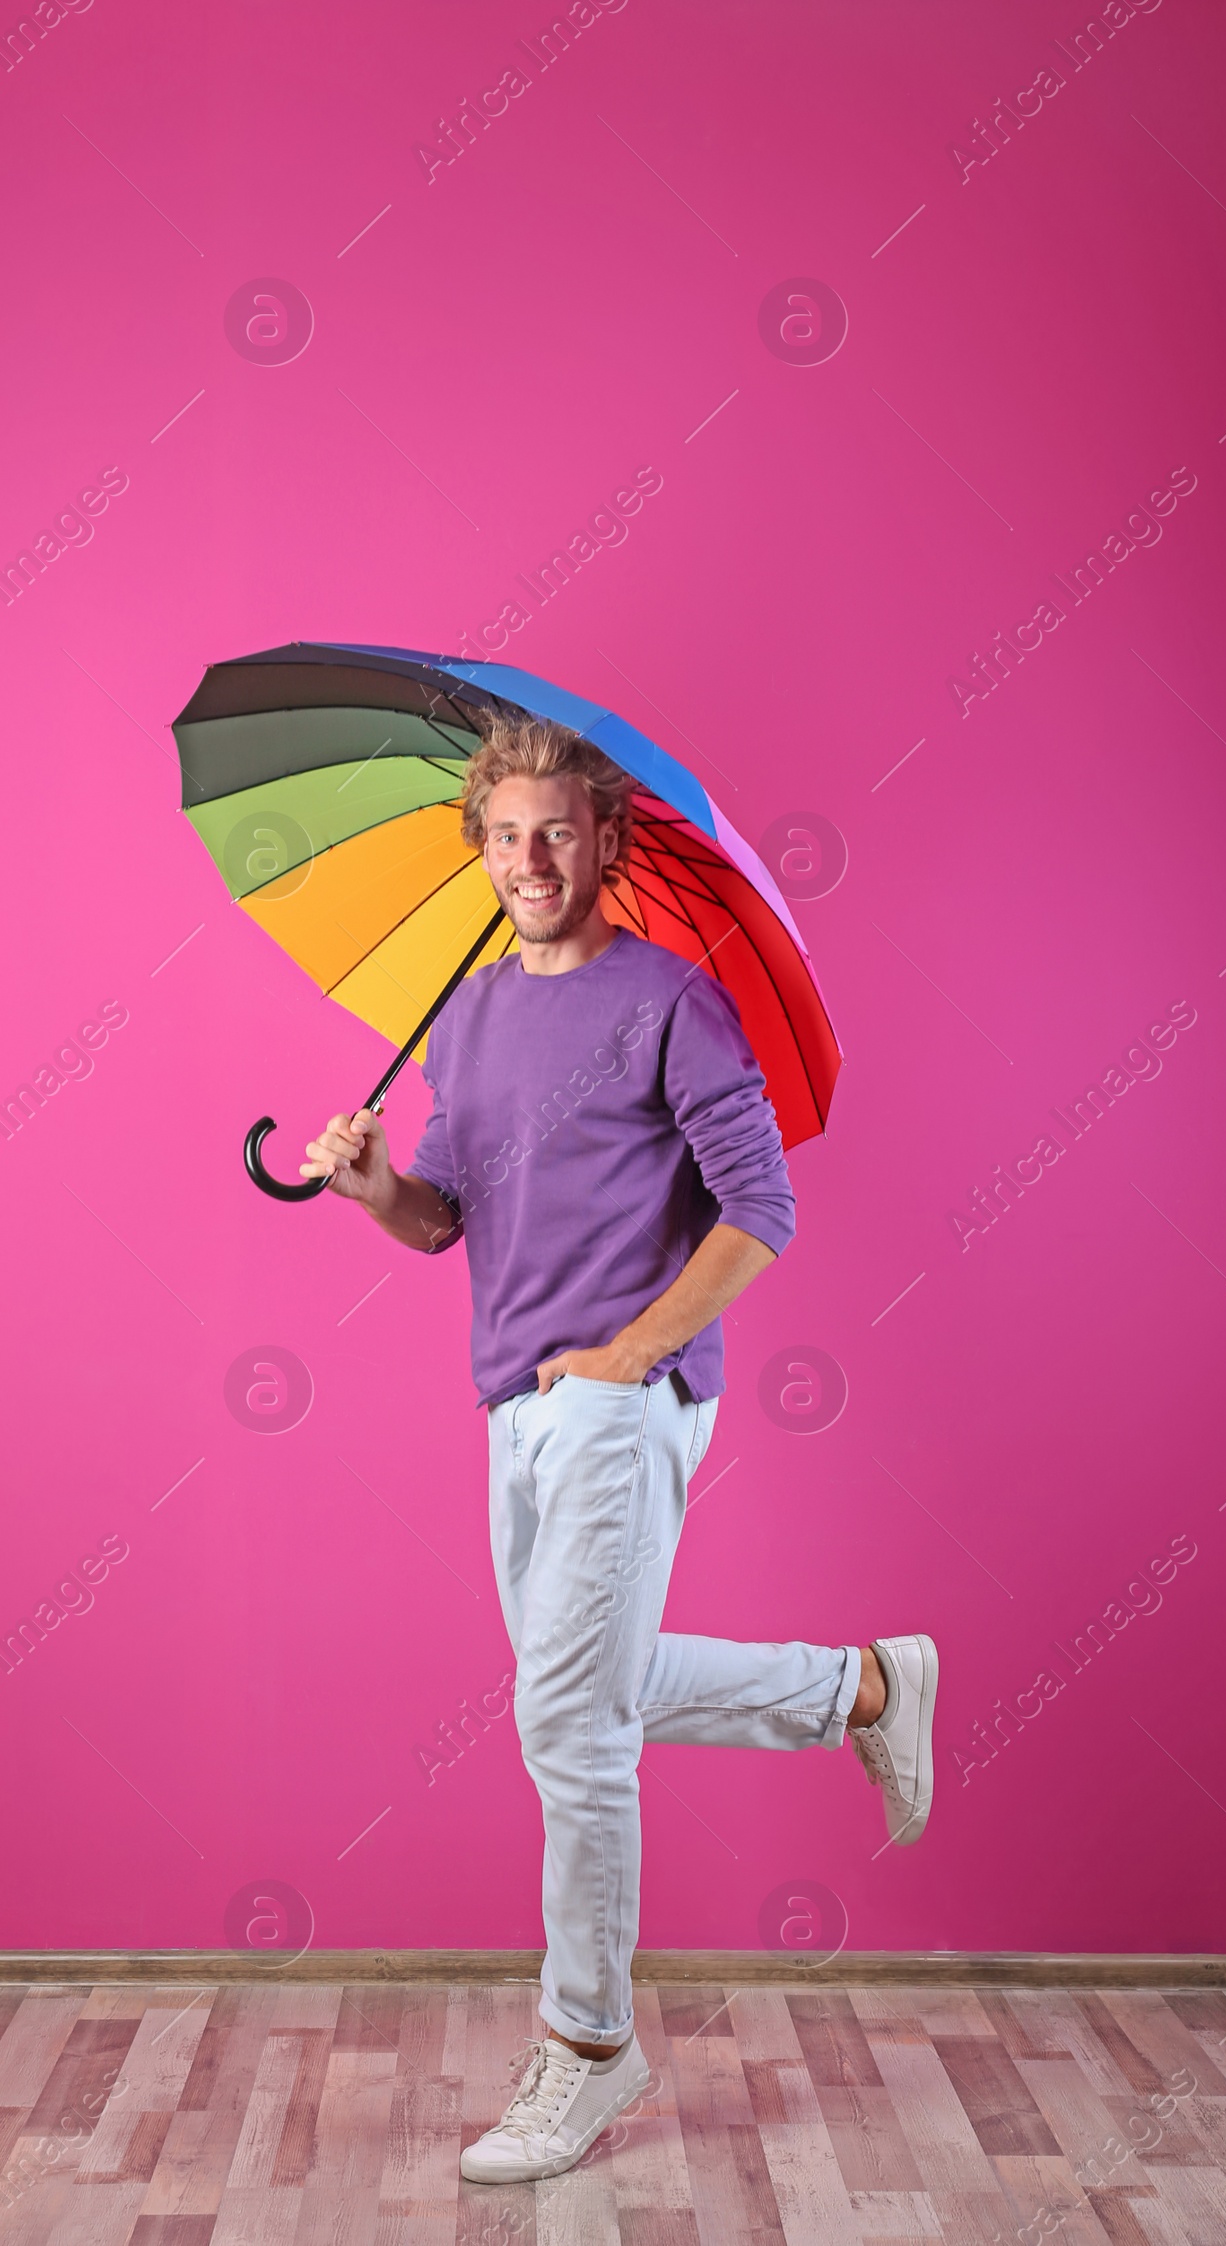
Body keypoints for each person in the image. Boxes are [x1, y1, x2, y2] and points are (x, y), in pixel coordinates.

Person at [301, 714, 938, 2186]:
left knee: (565, 1728)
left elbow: (762, 1207)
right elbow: (443, 1216)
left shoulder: (674, 1001)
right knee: (582, 1688)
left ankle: (586, 2044)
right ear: (478, 844)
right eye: (507, 835)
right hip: (510, 1399)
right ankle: (866, 1683)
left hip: (618, 1397)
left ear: (608, 842)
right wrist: (374, 1178)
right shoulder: (464, 1012)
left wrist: (633, 1353)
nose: (531, 860)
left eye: (559, 833)